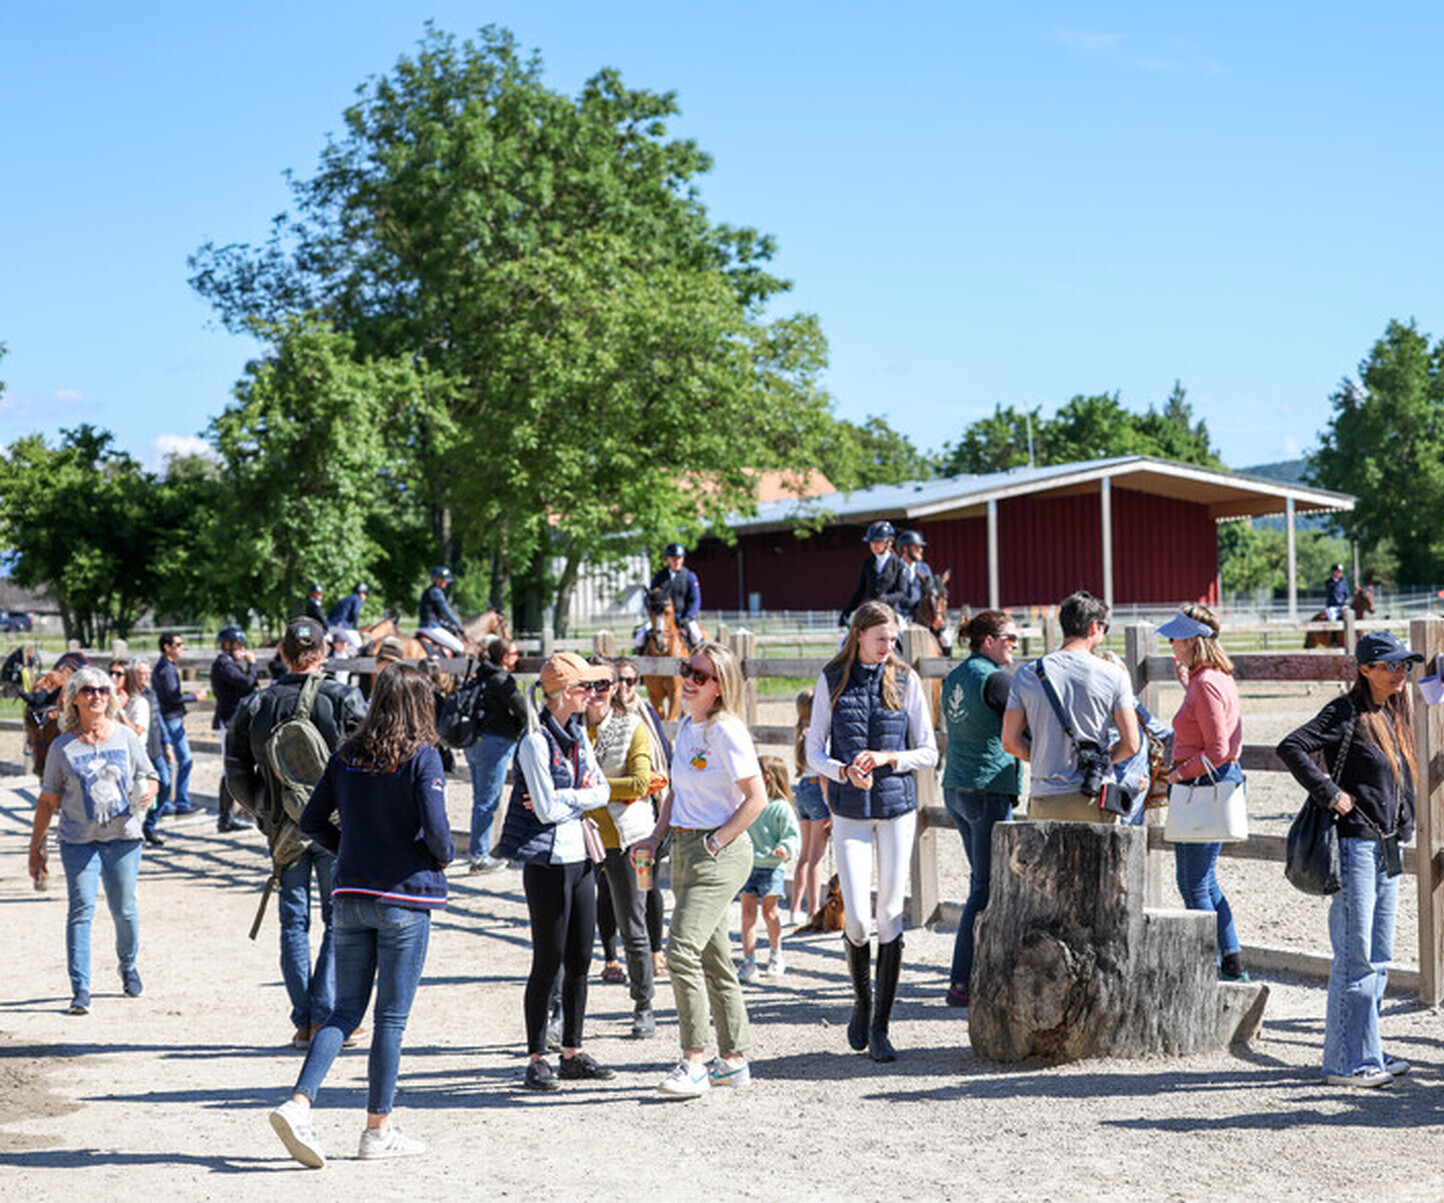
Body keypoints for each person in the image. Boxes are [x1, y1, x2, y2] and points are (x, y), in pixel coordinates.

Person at [267, 663, 454, 1167]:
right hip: (404, 896)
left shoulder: (347, 753)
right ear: (420, 704)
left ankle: (299, 1101)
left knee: (344, 1012)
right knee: (390, 1019)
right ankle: (377, 1130)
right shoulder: (423, 757)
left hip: (350, 893)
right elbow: (437, 831)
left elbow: (310, 820)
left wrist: (347, 845)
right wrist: (441, 857)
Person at [1277, 630, 1420, 1089]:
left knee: (1379, 955)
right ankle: (1346, 1062)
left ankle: (1367, 1048)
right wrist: (1330, 793)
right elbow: (1292, 746)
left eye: (1405, 666)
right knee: (1356, 955)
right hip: (1355, 843)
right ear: (1365, 669)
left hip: (1385, 844)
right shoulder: (1345, 711)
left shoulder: (1392, 709)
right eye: (1391, 665)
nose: (1400, 673)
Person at [226, 616, 368, 1049]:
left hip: (283, 828)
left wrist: (263, 813)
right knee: (335, 920)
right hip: (336, 828)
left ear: (284, 654)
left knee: (292, 921)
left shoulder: (256, 704)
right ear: (324, 652)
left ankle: (304, 1018)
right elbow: (368, 762)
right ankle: (324, 1017)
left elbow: (236, 772)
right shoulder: (344, 698)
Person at [633, 641, 766, 1098]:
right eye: (687, 669)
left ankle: (693, 1061)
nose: (688, 680)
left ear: (721, 686)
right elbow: (674, 791)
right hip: (687, 846)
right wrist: (656, 836)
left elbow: (757, 798)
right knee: (713, 958)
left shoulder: (727, 731)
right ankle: (732, 1059)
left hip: (719, 848)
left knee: (680, 949)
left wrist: (717, 840)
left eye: (700, 676)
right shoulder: (687, 725)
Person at [807, 600, 939, 1062]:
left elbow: (928, 750)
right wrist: (843, 770)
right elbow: (812, 752)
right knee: (858, 920)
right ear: (859, 634)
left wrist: (888, 759)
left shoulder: (906, 679)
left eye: (893, 638)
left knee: (889, 913)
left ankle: (882, 1025)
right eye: (881, 638)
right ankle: (862, 1002)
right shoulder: (831, 679)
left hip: (896, 806)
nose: (889, 647)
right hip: (849, 808)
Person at [494, 651, 616, 1091]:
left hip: (580, 856)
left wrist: (573, 797)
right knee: (548, 960)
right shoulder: (535, 742)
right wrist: (577, 796)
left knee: (582, 956)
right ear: (566, 693)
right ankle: (536, 1056)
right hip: (548, 861)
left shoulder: (579, 738)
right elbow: (545, 810)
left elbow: (600, 790)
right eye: (587, 687)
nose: (594, 694)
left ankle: (572, 1050)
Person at [27, 666, 159, 1014]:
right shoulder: (61, 748)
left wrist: (151, 791)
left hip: (123, 839)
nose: (96, 695)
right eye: (88, 690)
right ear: (74, 700)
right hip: (78, 842)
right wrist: (35, 847)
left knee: (124, 910)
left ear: (111, 698)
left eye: (102, 690)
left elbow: (150, 773)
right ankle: (80, 988)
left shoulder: (126, 738)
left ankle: (128, 966)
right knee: (81, 910)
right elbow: (47, 801)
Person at [1157, 604, 1247, 982]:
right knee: (1205, 881)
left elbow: (1217, 749)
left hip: (1201, 786)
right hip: (1209, 784)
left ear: (1193, 641)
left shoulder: (1206, 682)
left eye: (1177, 638)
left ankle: (1207, 968)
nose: (1172, 644)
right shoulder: (1212, 678)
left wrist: (1179, 774)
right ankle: (1230, 960)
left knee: (1192, 883)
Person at [940, 609, 1020, 1009]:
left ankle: (965, 977)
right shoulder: (996, 679)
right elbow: (1021, 728)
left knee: (979, 883)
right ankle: (962, 981)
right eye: (1010, 638)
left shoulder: (955, 675)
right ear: (988, 640)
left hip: (956, 784)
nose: (1015, 645)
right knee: (985, 889)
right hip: (987, 787)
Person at [1001, 591, 1139, 823]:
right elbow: (1132, 743)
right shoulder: (1114, 675)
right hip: (1093, 794)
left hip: (1044, 795)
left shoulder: (1026, 675)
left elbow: (1009, 742)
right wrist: (1103, 760)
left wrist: (1041, 755)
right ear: (1094, 627)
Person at [583, 657, 661, 1037]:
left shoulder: (634, 727)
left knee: (634, 923)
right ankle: (561, 1012)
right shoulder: (572, 728)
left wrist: (592, 790)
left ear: (614, 688)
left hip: (629, 838)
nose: (594, 693)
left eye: (603, 685)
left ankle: (644, 1004)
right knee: (570, 928)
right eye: (588, 685)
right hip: (582, 838)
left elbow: (640, 782)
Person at [614, 656, 671, 980]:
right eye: (617, 680)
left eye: (630, 681)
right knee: (608, 890)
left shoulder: (647, 714)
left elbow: (665, 753)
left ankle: (655, 950)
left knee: (648, 885)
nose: (623, 687)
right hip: (611, 815)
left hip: (645, 815)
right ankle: (612, 956)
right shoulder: (603, 718)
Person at [464, 637, 526, 873]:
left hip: (475, 742)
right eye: (514, 653)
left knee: (480, 798)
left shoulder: (481, 675)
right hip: (495, 743)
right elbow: (522, 707)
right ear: (505, 658)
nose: (518, 656)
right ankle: (479, 855)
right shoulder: (501, 680)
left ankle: (478, 851)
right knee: (487, 801)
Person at [737, 755, 801, 981]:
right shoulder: (746, 803)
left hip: (772, 868)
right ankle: (749, 960)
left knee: (770, 913)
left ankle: (776, 954)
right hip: (747, 866)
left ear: (766, 778)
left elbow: (792, 836)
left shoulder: (781, 808)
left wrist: (784, 848)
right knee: (747, 915)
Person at [211, 625, 259, 832]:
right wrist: (253, 666)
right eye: (238, 645)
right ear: (227, 646)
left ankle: (231, 814)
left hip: (234, 719)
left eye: (241, 645)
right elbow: (247, 683)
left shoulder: (228, 663)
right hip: (229, 720)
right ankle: (225, 818)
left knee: (236, 767)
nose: (241, 649)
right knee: (230, 768)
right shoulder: (224, 665)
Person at [790, 688, 831, 925]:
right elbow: (825, 774)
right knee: (817, 857)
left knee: (804, 855)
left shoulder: (800, 732)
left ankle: (795, 908)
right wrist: (830, 805)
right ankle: (813, 909)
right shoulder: (819, 734)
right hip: (817, 790)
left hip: (803, 788)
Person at [153, 632, 204, 818]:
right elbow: (174, 696)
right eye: (179, 644)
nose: (182, 647)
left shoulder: (164, 666)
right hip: (171, 717)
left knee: (171, 761)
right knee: (184, 759)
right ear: (168, 647)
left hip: (167, 717)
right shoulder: (167, 669)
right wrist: (195, 697)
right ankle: (180, 802)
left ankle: (166, 803)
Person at [125, 660, 173, 848]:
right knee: (136, 791)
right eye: (140, 674)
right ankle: (134, 828)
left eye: (147, 673)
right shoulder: (129, 697)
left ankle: (149, 825)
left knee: (166, 784)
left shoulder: (152, 694)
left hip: (155, 748)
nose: (144, 678)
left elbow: (158, 720)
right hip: (139, 751)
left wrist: (167, 743)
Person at [839, 520, 909, 626]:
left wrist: (886, 599)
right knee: (847, 639)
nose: (873, 545)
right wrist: (847, 611)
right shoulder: (867, 564)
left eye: (878, 541)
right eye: (871, 542)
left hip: (892, 612)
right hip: (871, 611)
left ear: (889, 542)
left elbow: (902, 592)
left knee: (903, 634)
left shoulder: (899, 565)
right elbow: (859, 591)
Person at [635, 542, 703, 651]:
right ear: (667, 559)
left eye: (679, 558)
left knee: (696, 636)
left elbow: (695, 600)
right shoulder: (659, 577)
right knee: (640, 637)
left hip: (683, 617)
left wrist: (689, 616)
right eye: (673, 558)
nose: (676, 561)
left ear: (683, 559)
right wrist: (652, 613)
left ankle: (699, 661)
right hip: (660, 617)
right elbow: (648, 597)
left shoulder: (690, 577)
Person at [417, 565, 466, 655]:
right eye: (444, 579)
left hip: (424, 626)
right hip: (432, 627)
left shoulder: (429, 591)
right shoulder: (436, 592)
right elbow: (446, 612)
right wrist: (458, 625)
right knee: (460, 647)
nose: (446, 582)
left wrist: (444, 623)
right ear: (437, 579)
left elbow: (435, 613)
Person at [896, 530, 933, 622]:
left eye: (921, 547)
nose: (920, 550)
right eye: (917, 547)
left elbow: (930, 593)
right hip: (898, 616)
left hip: (921, 616)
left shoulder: (925, 568)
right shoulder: (893, 567)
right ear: (905, 548)